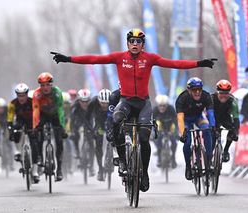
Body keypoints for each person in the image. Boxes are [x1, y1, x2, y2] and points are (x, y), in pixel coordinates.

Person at [51, 28, 216, 192]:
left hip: (143, 103)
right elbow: (94, 59)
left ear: (143, 44)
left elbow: (174, 64)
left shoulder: (150, 58)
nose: (135, 44)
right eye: (132, 41)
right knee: (116, 120)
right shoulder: (119, 57)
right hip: (126, 102)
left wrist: (199, 63)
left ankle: (144, 173)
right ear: (128, 43)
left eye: (138, 41)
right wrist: (68, 59)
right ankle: (122, 160)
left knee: (144, 139)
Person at [175, 77, 215, 180]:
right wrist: (182, 132)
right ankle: (188, 167)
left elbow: (210, 113)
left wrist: (213, 126)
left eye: (199, 89)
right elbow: (180, 118)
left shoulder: (206, 96)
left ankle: (209, 160)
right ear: (189, 90)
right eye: (194, 90)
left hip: (199, 117)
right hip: (186, 120)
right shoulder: (182, 98)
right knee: (187, 141)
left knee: (207, 130)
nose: (197, 92)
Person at [32, 72, 67, 181]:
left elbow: (61, 110)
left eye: (47, 84)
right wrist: (35, 126)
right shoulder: (37, 94)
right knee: (39, 134)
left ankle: (59, 169)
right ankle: (40, 160)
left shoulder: (57, 92)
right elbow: (36, 110)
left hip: (55, 115)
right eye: (42, 85)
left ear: (51, 84)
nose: (45, 88)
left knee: (59, 140)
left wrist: (62, 126)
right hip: (43, 115)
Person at [7, 83, 40, 183]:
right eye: (19, 95)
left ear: (26, 94)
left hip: (31, 121)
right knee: (15, 131)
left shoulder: (33, 102)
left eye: (23, 95)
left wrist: (37, 127)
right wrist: (10, 129)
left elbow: (37, 115)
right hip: (20, 121)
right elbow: (10, 118)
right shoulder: (12, 104)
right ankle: (17, 151)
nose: (21, 98)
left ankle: (35, 171)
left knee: (34, 143)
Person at [86, 89, 112, 181]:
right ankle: (100, 169)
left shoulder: (114, 101)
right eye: (102, 103)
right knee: (98, 144)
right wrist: (91, 130)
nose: (105, 105)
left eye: (107, 103)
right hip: (99, 124)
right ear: (98, 101)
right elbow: (87, 117)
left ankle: (112, 156)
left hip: (110, 122)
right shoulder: (93, 102)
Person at [211, 80, 239, 162]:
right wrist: (213, 127)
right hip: (213, 117)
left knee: (233, 129)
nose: (224, 96)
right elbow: (208, 114)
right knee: (212, 135)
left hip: (225, 117)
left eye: (226, 93)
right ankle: (209, 154)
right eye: (221, 93)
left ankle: (226, 151)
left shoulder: (232, 101)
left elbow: (236, 118)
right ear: (217, 92)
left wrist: (235, 131)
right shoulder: (211, 99)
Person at [69, 88, 95, 176]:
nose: (84, 103)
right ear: (78, 100)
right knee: (75, 135)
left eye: (86, 101)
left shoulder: (92, 105)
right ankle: (77, 151)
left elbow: (96, 118)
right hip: (79, 121)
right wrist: (72, 131)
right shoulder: (75, 106)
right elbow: (72, 120)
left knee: (91, 143)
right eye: (82, 101)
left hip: (89, 121)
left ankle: (91, 167)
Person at [153, 95, 178, 168]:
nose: (162, 108)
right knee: (157, 139)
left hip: (169, 126)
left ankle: (173, 158)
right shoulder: (155, 110)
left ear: (167, 105)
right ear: (157, 105)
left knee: (174, 142)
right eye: (160, 106)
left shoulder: (171, 109)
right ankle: (159, 158)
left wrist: (175, 132)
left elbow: (175, 121)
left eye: (164, 106)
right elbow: (152, 123)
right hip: (160, 127)